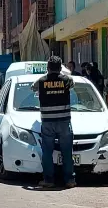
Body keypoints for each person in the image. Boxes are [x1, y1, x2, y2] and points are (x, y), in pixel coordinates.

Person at [31, 56, 76, 188]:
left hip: (48, 122)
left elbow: (32, 88)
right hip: (64, 121)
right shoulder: (67, 80)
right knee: (67, 152)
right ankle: (69, 180)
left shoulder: (41, 81)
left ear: (48, 68)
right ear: (60, 67)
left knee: (47, 152)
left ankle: (49, 180)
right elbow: (72, 84)